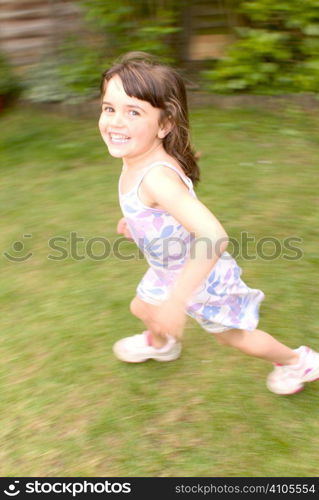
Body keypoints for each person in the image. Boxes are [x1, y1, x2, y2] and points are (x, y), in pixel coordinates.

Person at [98, 52, 319, 395]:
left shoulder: (156, 178)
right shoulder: (139, 158)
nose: (115, 121)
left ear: (164, 124)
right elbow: (160, 210)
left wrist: (177, 301)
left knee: (234, 337)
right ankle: (162, 345)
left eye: (133, 112)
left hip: (201, 280)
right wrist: (136, 223)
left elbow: (213, 236)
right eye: (109, 108)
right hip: (167, 268)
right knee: (142, 306)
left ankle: (297, 361)